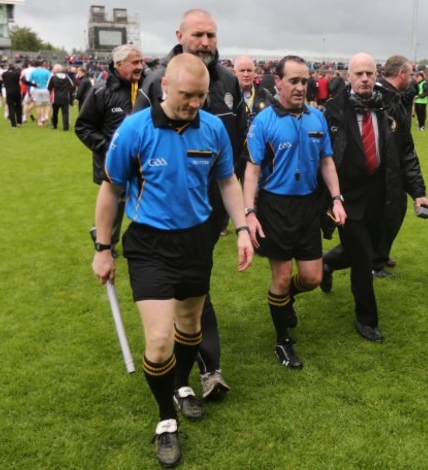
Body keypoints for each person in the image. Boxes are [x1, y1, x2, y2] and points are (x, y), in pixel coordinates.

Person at [92, 53, 253, 467]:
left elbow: (227, 180)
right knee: (160, 342)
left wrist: (242, 229)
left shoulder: (213, 127)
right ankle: (166, 419)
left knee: (191, 327)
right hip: (149, 245)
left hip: (196, 243)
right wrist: (103, 249)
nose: (195, 103)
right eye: (187, 95)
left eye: (201, 95)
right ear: (164, 88)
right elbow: (111, 189)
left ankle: (182, 386)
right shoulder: (135, 129)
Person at [135, 8, 247, 401]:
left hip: (214, 209)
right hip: (164, 217)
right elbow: (135, 148)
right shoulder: (154, 81)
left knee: (195, 295)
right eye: (199, 34)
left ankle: (193, 369)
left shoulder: (231, 80)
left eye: (212, 35)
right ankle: (206, 370)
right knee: (187, 305)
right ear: (180, 35)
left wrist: (243, 214)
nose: (206, 42)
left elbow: (238, 149)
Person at [321, 53, 428, 343]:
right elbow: (321, 159)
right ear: (348, 76)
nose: (365, 79)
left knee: (365, 250)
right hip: (346, 198)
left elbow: (406, 153)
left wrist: (418, 193)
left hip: (381, 195)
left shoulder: (391, 106)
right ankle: (366, 319)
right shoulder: (332, 111)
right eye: (358, 73)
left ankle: (327, 263)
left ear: (376, 75)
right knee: (362, 260)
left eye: (370, 73)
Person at [243, 55, 346, 369]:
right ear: (278, 82)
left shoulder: (317, 118)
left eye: (305, 81)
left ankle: (286, 300)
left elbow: (327, 161)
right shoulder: (264, 121)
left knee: (312, 278)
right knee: (282, 276)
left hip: (308, 207)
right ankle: (282, 340)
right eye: (294, 81)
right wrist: (249, 212)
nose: (301, 87)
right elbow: (252, 169)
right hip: (275, 207)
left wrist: (337, 198)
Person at [75, 44, 145, 257]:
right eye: (135, 62)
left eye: (141, 62)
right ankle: (107, 242)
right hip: (112, 161)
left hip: (144, 159)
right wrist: (110, 148)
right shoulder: (101, 91)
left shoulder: (146, 88)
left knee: (145, 199)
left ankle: (145, 244)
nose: (140, 66)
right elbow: (83, 127)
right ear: (118, 64)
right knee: (117, 201)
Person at [371, 54, 428, 276]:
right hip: (378, 175)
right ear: (402, 74)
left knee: (393, 213)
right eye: (411, 72)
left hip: (391, 172)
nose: (413, 77)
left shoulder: (393, 97)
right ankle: (336, 264)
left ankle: (379, 256)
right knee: (384, 217)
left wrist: (418, 191)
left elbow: (404, 147)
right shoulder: (379, 97)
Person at [233, 55, 275, 177]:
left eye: (249, 70)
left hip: (261, 154)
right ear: (234, 73)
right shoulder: (228, 97)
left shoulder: (267, 96)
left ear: (255, 73)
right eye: (242, 71)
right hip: (236, 154)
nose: (246, 74)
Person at [47, 64, 74, 131]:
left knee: (55, 112)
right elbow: (72, 86)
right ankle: (66, 127)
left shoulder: (53, 77)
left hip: (55, 97)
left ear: (55, 70)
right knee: (65, 113)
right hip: (65, 97)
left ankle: (54, 125)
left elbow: (48, 87)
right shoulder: (67, 77)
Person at [29, 61, 52, 127]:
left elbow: (30, 81)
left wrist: (35, 84)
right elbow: (50, 80)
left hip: (37, 89)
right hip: (45, 89)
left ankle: (40, 121)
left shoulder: (33, 72)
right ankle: (46, 116)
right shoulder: (46, 71)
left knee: (38, 106)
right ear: (42, 65)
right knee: (47, 104)